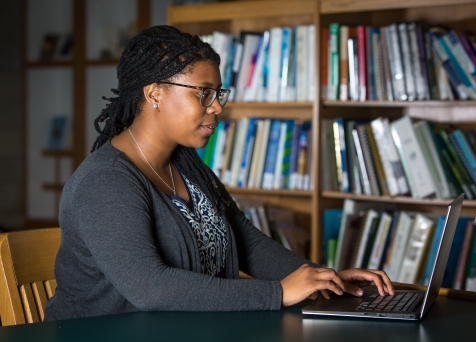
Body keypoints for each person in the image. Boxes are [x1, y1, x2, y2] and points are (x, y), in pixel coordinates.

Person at [44, 25, 394, 321]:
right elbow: (150, 287)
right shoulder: (104, 181)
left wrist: (320, 278)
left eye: (218, 93)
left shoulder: (186, 163)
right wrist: (278, 293)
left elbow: (246, 243)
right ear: (155, 94)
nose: (217, 107)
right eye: (204, 94)